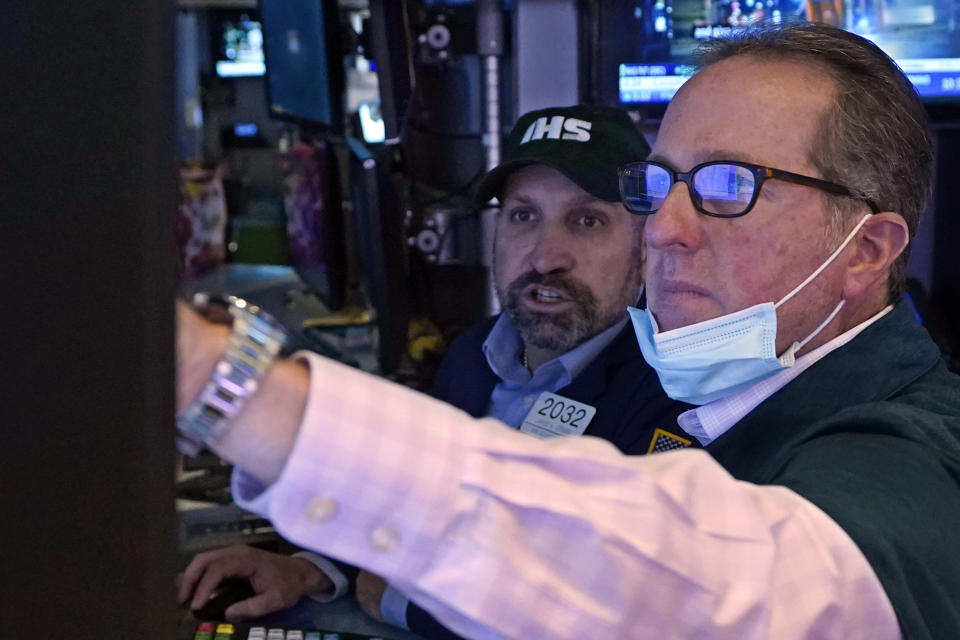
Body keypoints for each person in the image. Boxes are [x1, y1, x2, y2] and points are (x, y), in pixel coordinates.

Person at [175, 24, 960, 639]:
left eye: (729, 187)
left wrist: (227, 383)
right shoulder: (740, 407)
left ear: (866, 250)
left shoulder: (913, 458)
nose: (663, 230)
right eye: (658, 185)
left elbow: (692, 584)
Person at [178, 106, 692, 636]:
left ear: (643, 244)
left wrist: (402, 602)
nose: (545, 257)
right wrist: (312, 570)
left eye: (587, 221)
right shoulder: (473, 354)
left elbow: (604, 612)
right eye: (522, 216)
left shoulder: (667, 402)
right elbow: (417, 511)